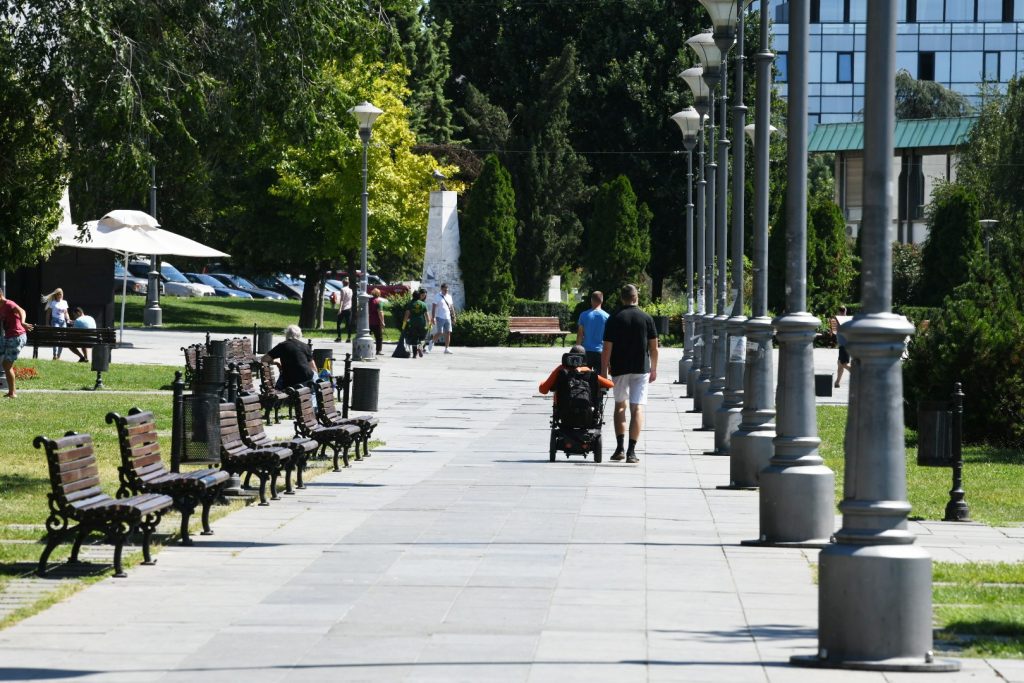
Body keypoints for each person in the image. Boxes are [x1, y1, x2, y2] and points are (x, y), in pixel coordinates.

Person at [601, 284, 659, 463]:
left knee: (620, 406)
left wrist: (603, 372)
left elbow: (607, 348)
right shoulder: (647, 318)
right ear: (636, 297)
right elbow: (654, 348)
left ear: (622, 298)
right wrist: (654, 369)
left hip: (619, 368)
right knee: (637, 408)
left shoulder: (614, 318)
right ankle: (631, 452)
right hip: (641, 368)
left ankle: (619, 448)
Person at [539, 344, 613, 399]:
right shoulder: (587, 371)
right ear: (584, 359)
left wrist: (543, 383)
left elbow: (543, 390)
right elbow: (610, 384)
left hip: (563, 409)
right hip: (585, 408)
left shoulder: (561, 369)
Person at [0, 288, 34, 398]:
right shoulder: (1, 307)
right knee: (6, 364)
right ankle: (12, 392)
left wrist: (23, 322)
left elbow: (22, 311)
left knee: (6, 364)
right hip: (8, 336)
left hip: (17, 336)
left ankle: (12, 393)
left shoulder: (9, 304)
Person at [263, 324, 317, 390]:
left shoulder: (282, 346)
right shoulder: (305, 346)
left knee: (282, 378)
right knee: (315, 375)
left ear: (286, 334)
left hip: (291, 381)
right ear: (300, 335)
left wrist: (275, 362)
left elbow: (264, 359)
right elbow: (313, 367)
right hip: (307, 380)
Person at [576, 290, 609, 371]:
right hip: (600, 351)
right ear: (602, 300)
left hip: (586, 351)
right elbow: (608, 338)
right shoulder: (607, 316)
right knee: (600, 377)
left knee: (585, 376)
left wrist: (577, 351)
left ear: (591, 300)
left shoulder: (583, 315)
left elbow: (580, 335)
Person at [426, 283, 456, 354]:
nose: (446, 291)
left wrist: (454, 317)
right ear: (441, 289)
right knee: (440, 332)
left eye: (447, 290)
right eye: (445, 290)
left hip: (448, 317)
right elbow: (433, 307)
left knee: (448, 332)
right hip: (440, 317)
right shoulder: (437, 296)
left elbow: (451, 307)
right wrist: (433, 317)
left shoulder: (449, 297)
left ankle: (446, 348)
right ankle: (432, 342)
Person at [402, 289, 431, 358]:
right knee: (422, 338)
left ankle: (414, 355)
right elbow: (427, 316)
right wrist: (429, 325)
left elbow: (406, 315)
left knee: (414, 339)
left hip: (413, 324)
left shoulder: (410, 304)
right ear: (419, 296)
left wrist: (404, 324)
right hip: (422, 324)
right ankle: (420, 347)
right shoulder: (423, 304)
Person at [41, 288, 70, 359]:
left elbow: (66, 313)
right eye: (58, 294)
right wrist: (47, 323)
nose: (60, 295)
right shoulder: (53, 302)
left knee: (62, 339)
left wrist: (68, 319)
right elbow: (48, 313)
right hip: (55, 321)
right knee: (56, 338)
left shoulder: (64, 302)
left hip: (63, 322)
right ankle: (55, 355)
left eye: (61, 294)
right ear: (55, 295)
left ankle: (58, 356)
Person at [833, 306, 852, 388]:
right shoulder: (846, 320)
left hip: (845, 346)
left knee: (843, 364)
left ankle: (857, 373)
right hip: (843, 345)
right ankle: (837, 382)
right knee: (840, 364)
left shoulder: (843, 320)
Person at [334, 278, 353, 343]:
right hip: (349, 308)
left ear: (343, 283)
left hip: (343, 308)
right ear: (348, 283)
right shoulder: (351, 290)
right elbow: (350, 299)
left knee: (338, 323)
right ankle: (349, 338)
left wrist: (340, 309)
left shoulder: (342, 289)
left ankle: (339, 337)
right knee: (348, 324)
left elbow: (342, 300)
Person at [368, 288, 385, 355]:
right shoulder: (378, 302)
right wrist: (382, 322)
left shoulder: (369, 300)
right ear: (379, 294)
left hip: (368, 321)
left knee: (368, 336)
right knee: (379, 337)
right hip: (376, 322)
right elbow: (380, 312)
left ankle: (367, 350)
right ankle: (378, 350)